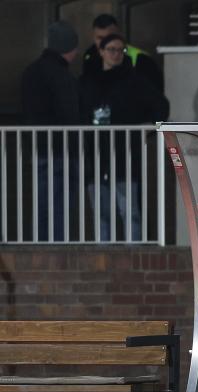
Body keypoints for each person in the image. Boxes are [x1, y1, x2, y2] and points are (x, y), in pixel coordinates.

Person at [80, 33, 169, 241]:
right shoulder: (88, 81)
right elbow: (78, 109)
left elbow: (161, 105)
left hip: (125, 156)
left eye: (121, 50)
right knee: (102, 214)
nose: (116, 54)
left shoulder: (134, 81)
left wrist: (148, 126)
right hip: (95, 156)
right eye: (111, 49)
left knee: (130, 212)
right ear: (101, 52)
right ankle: (104, 257)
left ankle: (134, 255)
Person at [21, 21, 81, 241]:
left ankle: (40, 245)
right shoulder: (63, 76)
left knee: (42, 204)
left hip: (38, 148)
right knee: (61, 205)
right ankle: (58, 247)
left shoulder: (31, 71)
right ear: (70, 48)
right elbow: (71, 113)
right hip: (62, 150)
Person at [82, 13, 164, 91]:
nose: (105, 42)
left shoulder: (141, 59)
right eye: (100, 38)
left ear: (119, 34)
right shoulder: (89, 56)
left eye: (110, 37)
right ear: (93, 37)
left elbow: (155, 95)